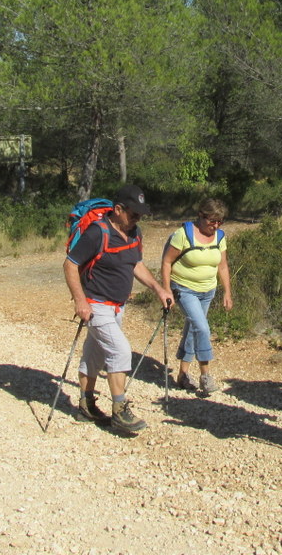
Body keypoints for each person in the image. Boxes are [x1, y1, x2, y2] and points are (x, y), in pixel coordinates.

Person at [63, 184, 174, 434]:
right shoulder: (96, 233)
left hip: (117, 307)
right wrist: (80, 301)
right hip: (95, 305)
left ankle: (86, 404)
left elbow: (135, 263)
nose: (137, 218)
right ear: (118, 209)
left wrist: (159, 289)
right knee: (121, 351)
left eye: (141, 214)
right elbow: (70, 265)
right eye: (133, 213)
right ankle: (120, 410)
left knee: (95, 355)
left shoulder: (134, 233)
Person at [160, 198, 233, 395]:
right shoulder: (183, 235)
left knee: (193, 329)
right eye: (212, 221)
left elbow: (223, 265)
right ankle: (205, 374)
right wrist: (166, 290)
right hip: (184, 289)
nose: (215, 226)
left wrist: (227, 291)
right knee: (202, 328)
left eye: (220, 222)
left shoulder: (219, 237)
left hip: (208, 290)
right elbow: (167, 263)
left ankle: (183, 374)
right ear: (201, 216)